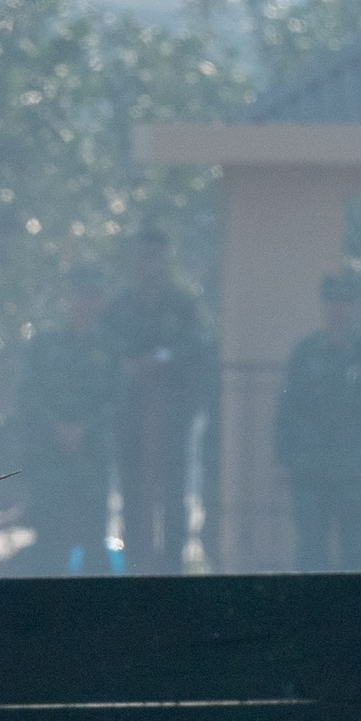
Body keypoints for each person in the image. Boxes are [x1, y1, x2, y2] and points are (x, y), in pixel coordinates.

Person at [98, 224, 214, 574]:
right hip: (130, 413)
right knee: (133, 491)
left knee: (174, 491)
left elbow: (200, 346)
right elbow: (105, 348)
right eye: (142, 253)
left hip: (172, 412)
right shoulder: (119, 306)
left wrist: (165, 357)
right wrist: (127, 365)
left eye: (155, 254)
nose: (148, 261)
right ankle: (136, 565)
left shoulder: (184, 304)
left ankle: (174, 567)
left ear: (166, 258)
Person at [275, 270, 361, 572]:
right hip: (310, 465)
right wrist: (282, 459)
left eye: (345, 302)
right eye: (333, 301)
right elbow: (287, 409)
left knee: (354, 550)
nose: (339, 308)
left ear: (354, 306)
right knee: (311, 548)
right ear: (324, 305)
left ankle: (351, 619)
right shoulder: (305, 352)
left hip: (355, 468)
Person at [18, 262, 112, 573]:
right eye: (79, 294)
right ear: (68, 298)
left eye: (92, 294)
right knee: (49, 540)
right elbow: (29, 394)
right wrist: (56, 428)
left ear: (101, 300)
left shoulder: (112, 349)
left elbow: (117, 399)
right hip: (49, 457)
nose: (85, 301)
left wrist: (85, 429)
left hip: (93, 455)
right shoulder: (45, 346)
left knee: (94, 539)